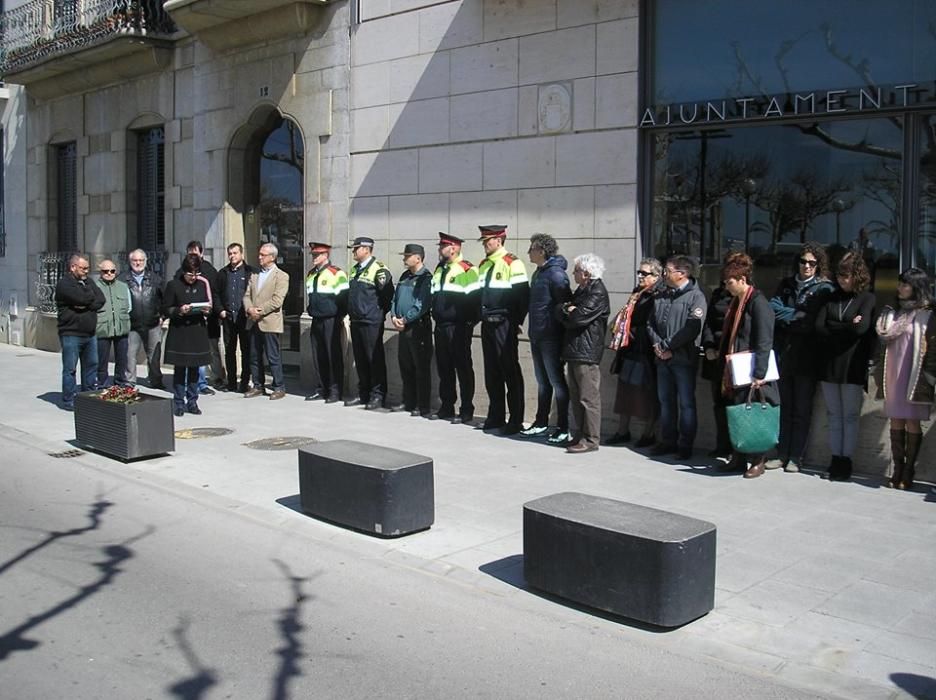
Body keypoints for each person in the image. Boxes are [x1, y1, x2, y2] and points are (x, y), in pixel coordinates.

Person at [768, 243, 834, 472]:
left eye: (812, 263)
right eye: (803, 261)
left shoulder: (825, 289)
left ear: (818, 265)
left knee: (802, 410)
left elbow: (814, 321)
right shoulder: (786, 284)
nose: (807, 266)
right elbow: (773, 309)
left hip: (808, 358)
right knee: (783, 408)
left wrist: (797, 319)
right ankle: (781, 453)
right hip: (784, 355)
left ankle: (796, 457)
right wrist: (797, 316)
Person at [713, 254, 779, 478]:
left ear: (742, 279)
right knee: (739, 412)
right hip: (736, 367)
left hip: (751, 368)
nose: (726, 286)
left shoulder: (758, 302)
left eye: (729, 282)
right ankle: (738, 456)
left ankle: (758, 459)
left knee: (755, 413)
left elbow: (763, 340)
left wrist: (759, 373)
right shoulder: (737, 302)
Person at [874, 267, 936, 490]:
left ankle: (909, 471)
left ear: (916, 287)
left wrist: (929, 378)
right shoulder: (893, 313)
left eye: (905, 284)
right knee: (896, 420)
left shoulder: (927, 315)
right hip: (893, 373)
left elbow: (932, 352)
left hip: (914, 377)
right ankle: (897, 469)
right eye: (900, 284)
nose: (900, 288)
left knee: (912, 421)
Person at [816, 252, 876, 481]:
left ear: (857, 276)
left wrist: (836, 326)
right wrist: (847, 325)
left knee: (849, 415)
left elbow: (862, 330)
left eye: (847, 276)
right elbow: (819, 328)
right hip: (830, 364)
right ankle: (835, 459)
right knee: (834, 415)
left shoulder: (867, 299)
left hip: (853, 365)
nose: (842, 280)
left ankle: (845, 461)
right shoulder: (830, 298)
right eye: (840, 276)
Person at [647, 254, 707, 460]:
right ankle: (668, 441)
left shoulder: (696, 297)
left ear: (682, 274)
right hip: (662, 358)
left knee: (686, 403)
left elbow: (692, 328)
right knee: (666, 401)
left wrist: (667, 345)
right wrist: (658, 345)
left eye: (667, 271)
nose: (664, 274)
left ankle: (685, 445)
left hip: (683, 359)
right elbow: (651, 323)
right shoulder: (662, 294)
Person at [477, 225, 529, 435]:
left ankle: (515, 419)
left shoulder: (512, 263)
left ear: (498, 240)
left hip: (504, 323)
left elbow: (522, 296)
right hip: (487, 323)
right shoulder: (483, 265)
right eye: (483, 241)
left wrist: (515, 322)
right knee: (492, 372)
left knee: (509, 370)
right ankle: (496, 415)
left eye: (487, 241)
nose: (484, 245)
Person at [522, 233, 572, 444]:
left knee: (557, 382)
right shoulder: (539, 273)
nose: (528, 253)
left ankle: (563, 427)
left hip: (551, 337)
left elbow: (564, 305)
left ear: (541, 251)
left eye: (532, 249)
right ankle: (541, 423)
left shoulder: (556, 275)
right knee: (543, 383)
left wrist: (555, 330)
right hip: (537, 335)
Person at [558, 254, 610, 454]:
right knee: (576, 396)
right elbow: (561, 310)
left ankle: (591, 439)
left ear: (586, 273)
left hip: (586, 352)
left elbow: (577, 319)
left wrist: (569, 311)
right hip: (574, 350)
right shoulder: (582, 290)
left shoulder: (596, 292)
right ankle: (580, 435)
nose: (573, 273)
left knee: (588, 398)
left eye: (577, 270)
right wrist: (566, 309)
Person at [607, 258, 662, 448]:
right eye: (639, 272)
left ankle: (649, 433)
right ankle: (622, 431)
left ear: (656, 276)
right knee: (625, 390)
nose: (640, 276)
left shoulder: (657, 294)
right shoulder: (637, 293)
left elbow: (653, 322)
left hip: (646, 349)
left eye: (644, 273)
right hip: (629, 348)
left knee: (647, 393)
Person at [429, 232, 479, 424]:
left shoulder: (467, 269)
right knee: (445, 368)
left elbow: (475, 300)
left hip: (458, 327)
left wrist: (468, 324)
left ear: (454, 248)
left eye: (443, 247)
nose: (440, 250)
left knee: (463, 369)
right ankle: (447, 406)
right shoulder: (440, 268)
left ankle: (466, 409)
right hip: (441, 326)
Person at [701, 251, 744, 458]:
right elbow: (708, 322)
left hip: (733, 356)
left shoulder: (745, 298)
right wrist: (709, 347)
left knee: (733, 405)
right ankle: (722, 445)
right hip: (714, 356)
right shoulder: (718, 294)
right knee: (718, 403)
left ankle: (736, 448)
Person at [346, 236, 394, 409]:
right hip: (357, 320)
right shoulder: (354, 270)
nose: (354, 251)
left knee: (374, 359)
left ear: (366, 249)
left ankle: (378, 395)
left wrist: (377, 313)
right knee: (360, 359)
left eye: (356, 248)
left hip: (371, 321)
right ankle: (363, 394)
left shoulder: (379, 270)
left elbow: (387, 295)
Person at [163, 253, 212, 416]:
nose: (193, 277)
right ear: (184, 271)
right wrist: (179, 310)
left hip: (197, 330)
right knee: (180, 369)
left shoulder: (202, 284)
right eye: (190, 274)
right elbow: (166, 309)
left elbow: (207, 303)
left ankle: (193, 401)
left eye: (197, 273)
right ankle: (179, 402)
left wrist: (206, 310)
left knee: (194, 369)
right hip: (180, 332)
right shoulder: (173, 285)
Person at [55, 254, 106, 410]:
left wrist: (86, 303)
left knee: (91, 366)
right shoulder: (64, 284)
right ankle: (69, 399)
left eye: (87, 268)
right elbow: (81, 299)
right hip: (71, 333)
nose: (86, 271)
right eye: (83, 268)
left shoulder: (88, 282)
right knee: (70, 368)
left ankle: (89, 396)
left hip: (89, 334)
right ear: (73, 267)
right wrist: (87, 301)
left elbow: (101, 299)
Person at [390, 244, 433, 416]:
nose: (404, 259)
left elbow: (422, 304)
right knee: (405, 365)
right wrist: (394, 316)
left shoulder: (426, 278)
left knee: (420, 367)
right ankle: (408, 401)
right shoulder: (404, 276)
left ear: (418, 257)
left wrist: (406, 318)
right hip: (402, 326)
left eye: (407, 256)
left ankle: (422, 405)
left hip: (418, 327)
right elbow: (395, 299)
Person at [243, 243, 290, 400]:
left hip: (269, 322)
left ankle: (279, 386)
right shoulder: (255, 275)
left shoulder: (281, 276)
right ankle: (258, 385)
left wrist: (259, 311)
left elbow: (277, 300)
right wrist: (250, 309)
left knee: (273, 356)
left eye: (263, 255)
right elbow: (246, 295)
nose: (259, 257)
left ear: (272, 257)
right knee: (254, 356)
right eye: (259, 254)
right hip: (253, 321)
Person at [175, 240, 222, 394]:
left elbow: (215, 294)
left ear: (201, 253)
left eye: (195, 253)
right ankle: (194, 382)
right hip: (187, 321)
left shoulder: (209, 271)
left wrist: (213, 310)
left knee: (208, 351)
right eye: (190, 254)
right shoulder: (180, 272)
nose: (193, 257)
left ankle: (211, 379)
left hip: (207, 319)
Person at [304, 242, 349, 403]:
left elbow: (343, 298)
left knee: (333, 356)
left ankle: (335, 391)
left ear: (326, 255)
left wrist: (338, 316)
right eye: (313, 255)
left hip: (331, 319)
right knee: (319, 356)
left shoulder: (336, 273)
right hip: (316, 319)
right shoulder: (311, 274)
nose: (314, 258)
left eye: (317, 255)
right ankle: (321, 388)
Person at [121, 249, 164, 389]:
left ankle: (156, 380)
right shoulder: (122, 279)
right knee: (130, 355)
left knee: (154, 355)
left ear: (145, 262)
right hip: (132, 325)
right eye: (135, 260)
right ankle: (129, 382)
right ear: (130, 261)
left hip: (153, 324)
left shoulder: (155, 279)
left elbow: (164, 299)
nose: (137, 263)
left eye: (140, 260)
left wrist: (162, 316)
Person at [216, 242, 255, 393]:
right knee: (229, 350)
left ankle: (245, 382)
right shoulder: (223, 273)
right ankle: (231, 382)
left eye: (235, 253)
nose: (232, 256)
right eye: (230, 253)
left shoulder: (250, 272)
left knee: (246, 351)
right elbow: (216, 293)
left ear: (241, 254)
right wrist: (220, 310)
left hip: (244, 318)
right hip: (228, 318)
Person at [93, 259, 132, 388]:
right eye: (106, 271)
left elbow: (129, 307)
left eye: (112, 271)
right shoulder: (94, 287)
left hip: (121, 327)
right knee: (102, 359)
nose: (109, 273)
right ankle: (102, 383)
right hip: (102, 328)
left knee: (122, 359)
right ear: (100, 272)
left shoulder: (123, 286)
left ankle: (120, 382)